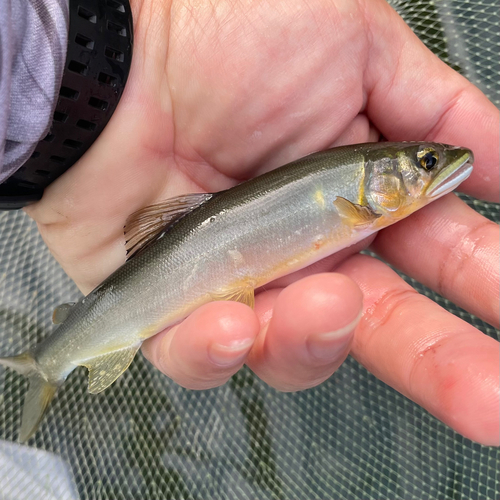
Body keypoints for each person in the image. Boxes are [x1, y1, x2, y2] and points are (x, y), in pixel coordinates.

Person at [2, 0, 499, 446]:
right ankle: (49, 362)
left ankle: (52, 356)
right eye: (427, 164)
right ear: (380, 180)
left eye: (426, 162)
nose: (437, 166)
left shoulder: (360, 201)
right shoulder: (358, 209)